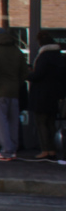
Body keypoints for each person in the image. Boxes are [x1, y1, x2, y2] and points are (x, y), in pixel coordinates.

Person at [0, 27, 29, 161]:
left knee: (0, 122)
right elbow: (24, 73)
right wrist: (17, 84)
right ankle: (13, 149)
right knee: (13, 121)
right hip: (13, 92)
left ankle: (6, 150)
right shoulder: (17, 51)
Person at [26, 30, 64, 160]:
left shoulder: (44, 56)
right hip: (54, 95)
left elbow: (38, 75)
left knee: (41, 122)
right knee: (51, 123)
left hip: (41, 94)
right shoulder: (59, 56)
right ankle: (53, 150)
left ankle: (45, 150)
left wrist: (27, 74)